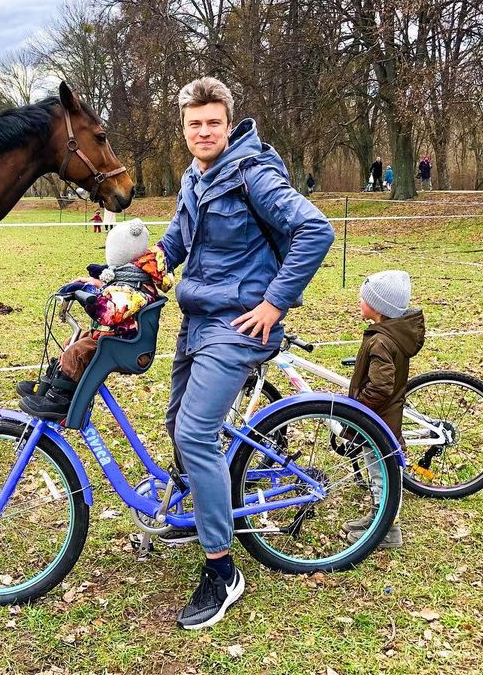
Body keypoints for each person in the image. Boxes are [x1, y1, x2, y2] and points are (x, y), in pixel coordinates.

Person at [156, 76, 334, 630]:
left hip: (237, 324)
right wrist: (144, 265)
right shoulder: (195, 176)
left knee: (194, 433)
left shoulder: (254, 174)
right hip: (198, 317)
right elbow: (178, 240)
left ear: (228, 125)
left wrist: (274, 304)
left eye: (213, 122)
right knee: (175, 422)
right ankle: (205, 508)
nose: (203, 131)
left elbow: (315, 230)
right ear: (184, 129)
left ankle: (221, 569)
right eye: (194, 123)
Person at [20, 219, 172, 414]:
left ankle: (59, 399)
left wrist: (91, 298)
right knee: (72, 341)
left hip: (124, 345)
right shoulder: (133, 278)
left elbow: (111, 311)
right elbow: (115, 290)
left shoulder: (136, 289)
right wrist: (90, 284)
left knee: (78, 351)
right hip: (116, 338)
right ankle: (52, 383)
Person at [345, 270, 425, 549]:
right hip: (380, 418)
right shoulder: (387, 334)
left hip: (379, 419)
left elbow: (381, 386)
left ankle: (389, 531)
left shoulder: (382, 340)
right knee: (377, 472)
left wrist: (358, 408)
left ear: (377, 307)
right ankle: (378, 517)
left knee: (382, 475)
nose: (359, 301)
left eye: (363, 298)